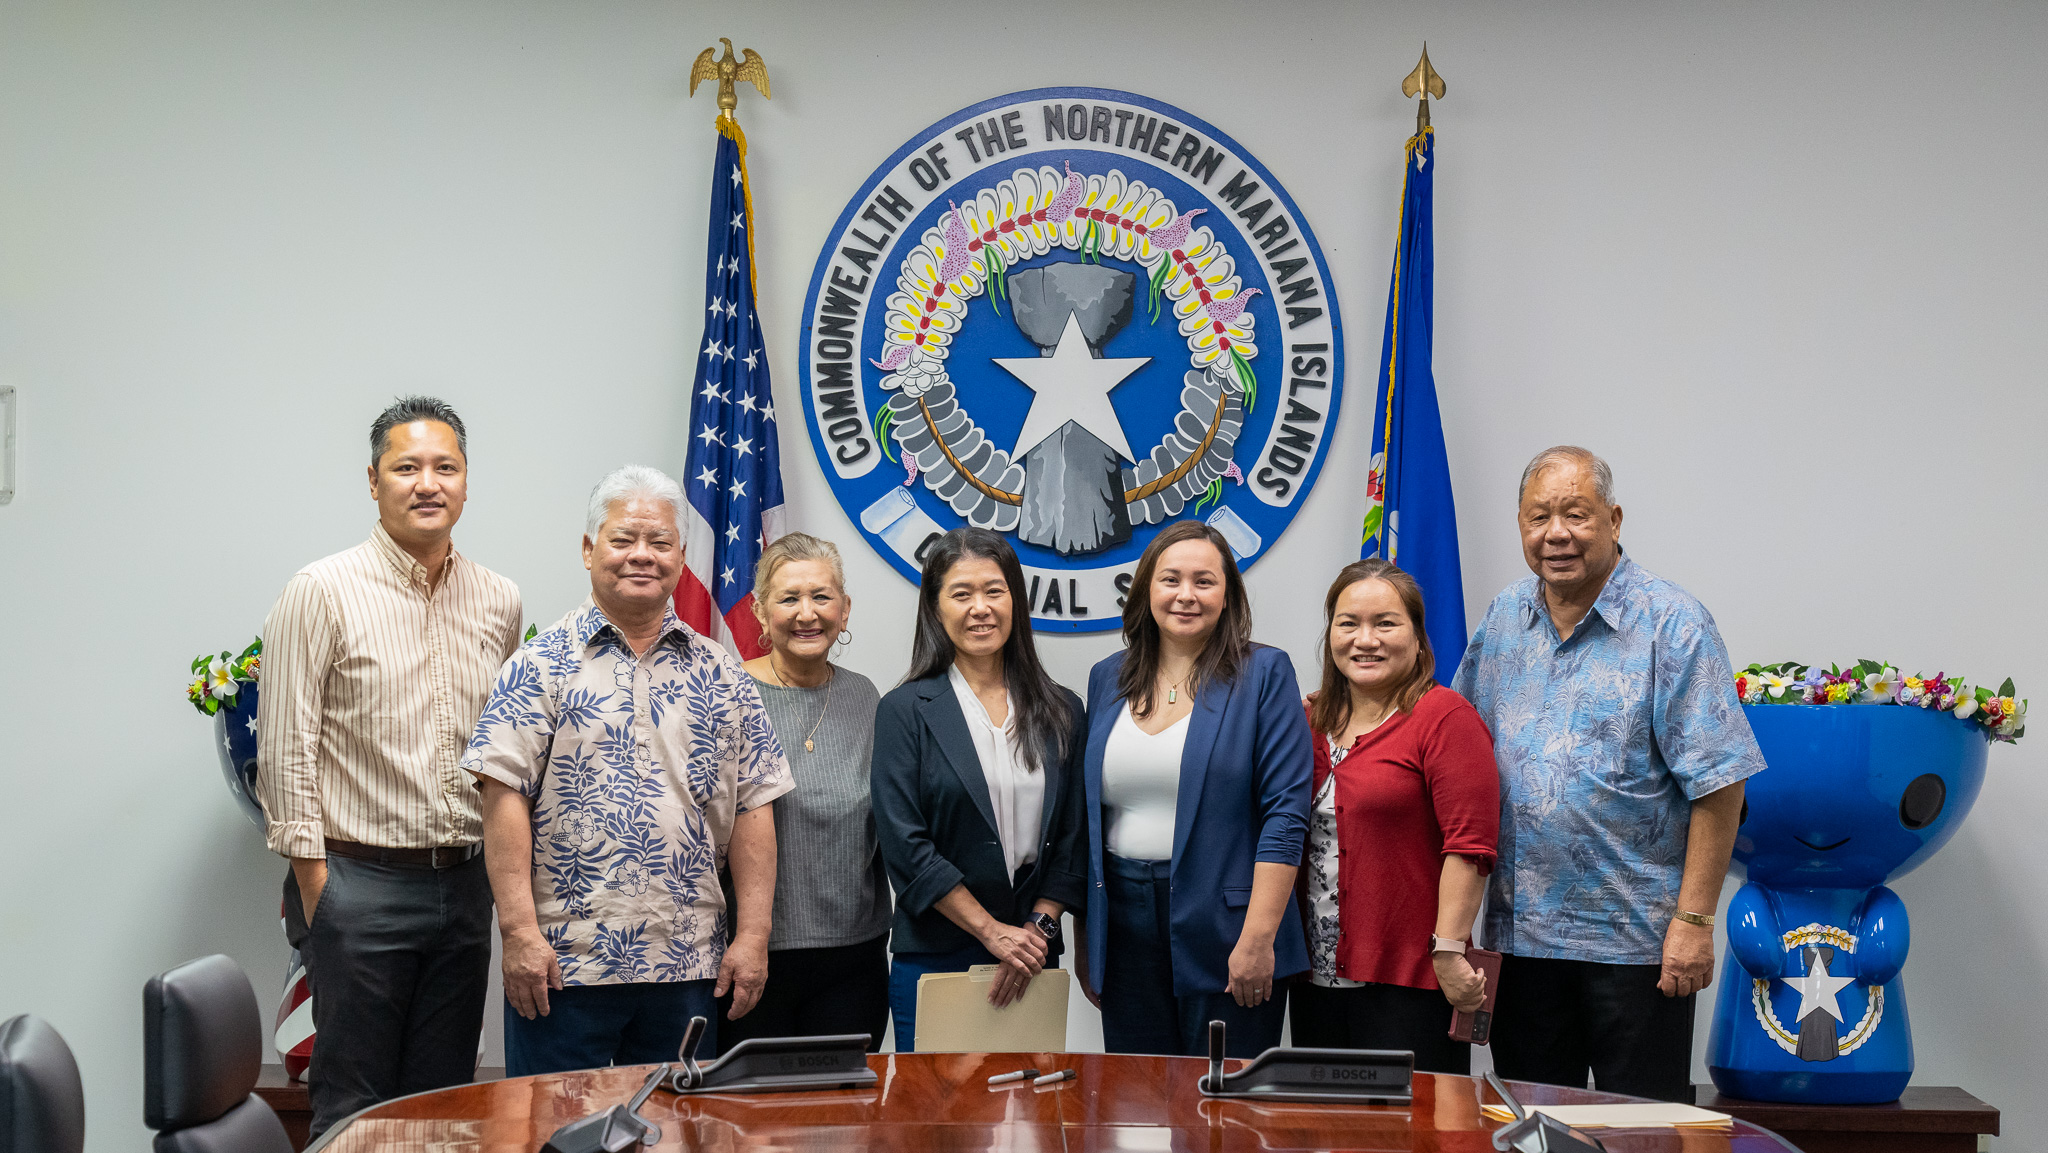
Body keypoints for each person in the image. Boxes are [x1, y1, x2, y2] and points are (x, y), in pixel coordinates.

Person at [1453, 445, 1764, 1102]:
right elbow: (1456, 746)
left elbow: (1720, 783)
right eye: (1540, 516)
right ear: (1520, 524)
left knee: (1643, 1136)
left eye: (1576, 513)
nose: (1556, 533)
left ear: (1614, 519)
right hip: (1522, 942)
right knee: (1532, 1131)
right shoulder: (1504, 617)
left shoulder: (1673, 623)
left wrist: (1695, 921)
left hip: (1640, 948)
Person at [462, 465, 791, 1075]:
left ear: (681, 556)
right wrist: (519, 934)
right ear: (589, 549)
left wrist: (753, 938)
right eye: (623, 539)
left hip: (690, 967)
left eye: (660, 542)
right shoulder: (538, 666)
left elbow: (755, 806)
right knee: (554, 1135)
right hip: (564, 966)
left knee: (677, 1135)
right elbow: (501, 800)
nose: (642, 555)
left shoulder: (722, 673)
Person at [256, 396, 523, 1137]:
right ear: (373, 481)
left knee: (441, 1112)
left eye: (446, 466)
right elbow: (284, 751)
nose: (427, 482)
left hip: (464, 888)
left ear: (467, 483)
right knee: (353, 1113)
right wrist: (322, 891)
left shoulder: (499, 599)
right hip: (356, 884)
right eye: (406, 467)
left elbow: (502, 751)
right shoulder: (321, 591)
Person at [1077, 519, 1313, 1057]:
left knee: (1225, 1115)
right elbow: (1090, 819)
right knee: (1138, 1113)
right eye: (1171, 579)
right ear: (1145, 590)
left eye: (1204, 581)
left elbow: (1286, 814)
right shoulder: (1107, 677)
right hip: (1124, 926)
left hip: (1230, 928)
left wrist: (1258, 939)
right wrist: (1088, 941)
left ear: (1228, 594)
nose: (1186, 595)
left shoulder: (1263, 673)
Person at [870, 528, 1088, 1052]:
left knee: (1028, 1120)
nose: (980, 608)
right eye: (961, 593)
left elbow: (1073, 839)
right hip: (936, 953)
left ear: (1016, 598)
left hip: (1033, 953)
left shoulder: (1064, 710)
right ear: (936, 608)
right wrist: (992, 933)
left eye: (994, 590)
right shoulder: (904, 711)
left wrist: (1036, 930)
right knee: (939, 1126)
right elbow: (906, 847)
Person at [1291, 559, 1499, 1073]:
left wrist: (1449, 950)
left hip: (1410, 981)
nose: (1366, 639)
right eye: (1348, 623)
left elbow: (1470, 847)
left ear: (1417, 636)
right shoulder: (1304, 721)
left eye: (1385, 623)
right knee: (1321, 1134)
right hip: (1314, 980)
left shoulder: (1445, 718)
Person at [713, 533, 891, 1051]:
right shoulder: (728, 693)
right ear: (760, 611)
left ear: (845, 608)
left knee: (842, 1117)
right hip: (751, 956)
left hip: (854, 957)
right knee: (755, 1124)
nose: (806, 613)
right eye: (789, 598)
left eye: (821, 596)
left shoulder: (866, 697)